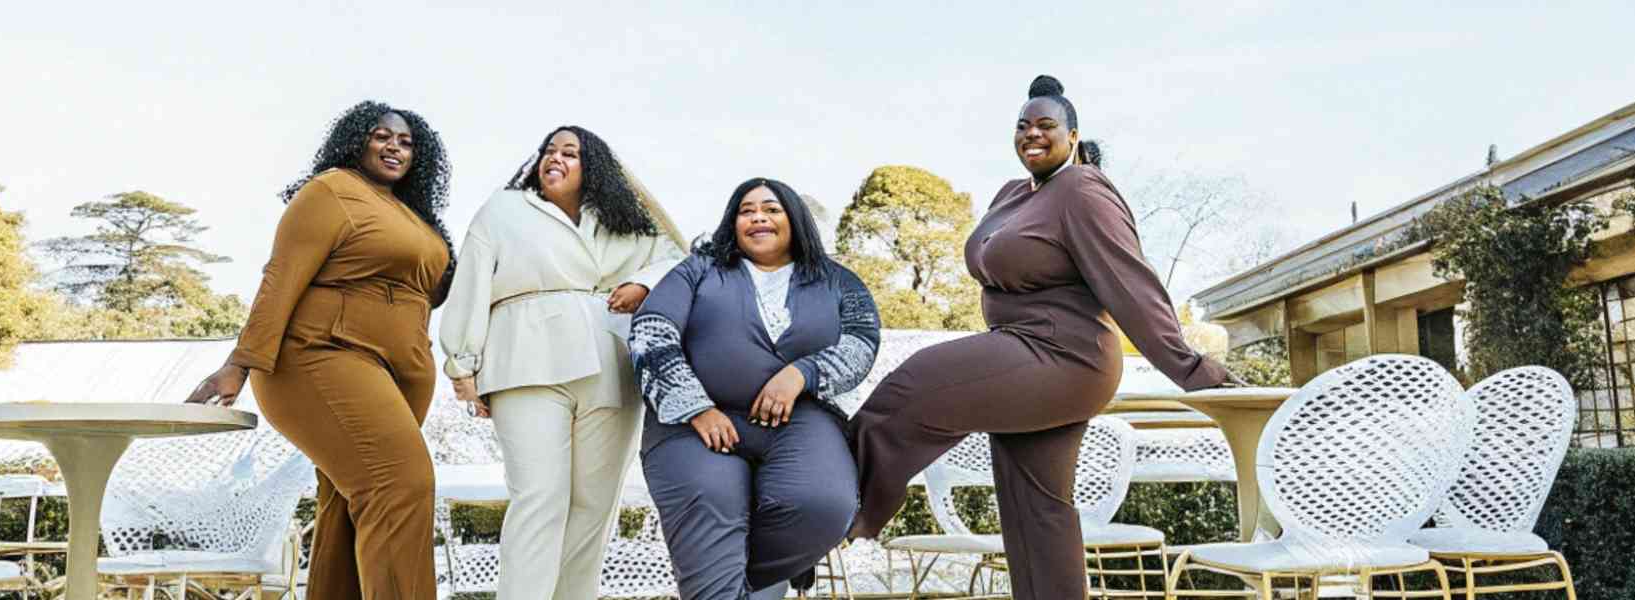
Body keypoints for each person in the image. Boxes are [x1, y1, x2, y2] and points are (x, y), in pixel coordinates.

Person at [847, 75, 1240, 600]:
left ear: (1073, 136)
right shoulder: (1013, 194)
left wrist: (1196, 372)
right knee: (1037, 509)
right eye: (1022, 126)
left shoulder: (1082, 189)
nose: (1032, 134)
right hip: (1026, 354)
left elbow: (1130, 284)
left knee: (913, 385)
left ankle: (819, 510)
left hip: (1064, 356)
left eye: (1046, 125)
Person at [185, 101, 454, 599]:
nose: (395, 147)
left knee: (350, 507)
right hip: (322, 356)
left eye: (406, 142)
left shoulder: (410, 214)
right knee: (399, 486)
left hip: (394, 374)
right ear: (356, 141)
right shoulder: (331, 191)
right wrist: (237, 365)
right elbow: (281, 278)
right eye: (382, 136)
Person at [438, 125, 688, 600]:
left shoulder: (623, 220)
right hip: (525, 362)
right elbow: (470, 282)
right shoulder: (504, 209)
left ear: (594, 168)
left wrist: (644, 284)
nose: (555, 158)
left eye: (570, 153)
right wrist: (463, 364)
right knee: (540, 498)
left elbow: (677, 257)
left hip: (610, 366)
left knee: (595, 506)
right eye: (548, 151)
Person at [631, 177, 880, 600]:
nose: (758, 217)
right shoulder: (698, 270)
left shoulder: (838, 280)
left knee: (821, 503)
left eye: (771, 208)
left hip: (801, 422)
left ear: (794, 219)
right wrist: (695, 407)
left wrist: (803, 372)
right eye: (747, 210)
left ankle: (726, 581)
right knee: (711, 498)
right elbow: (651, 331)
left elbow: (862, 340)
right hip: (695, 427)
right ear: (733, 221)